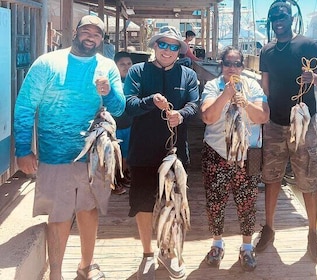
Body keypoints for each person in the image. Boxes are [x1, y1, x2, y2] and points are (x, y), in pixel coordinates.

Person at [13, 15, 125, 280]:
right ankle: (56, 274)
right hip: (55, 155)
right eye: (86, 31)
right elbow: (25, 106)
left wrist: (108, 91)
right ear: (75, 33)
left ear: (102, 39)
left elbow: (119, 108)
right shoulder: (47, 63)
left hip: (95, 156)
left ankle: (86, 266)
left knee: (89, 210)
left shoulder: (107, 66)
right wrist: (22, 148)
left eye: (97, 34)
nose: (91, 37)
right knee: (59, 214)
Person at [254, 1, 317, 265]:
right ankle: (269, 228)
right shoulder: (266, 51)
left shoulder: (308, 46)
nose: (278, 21)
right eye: (274, 17)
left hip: (304, 124)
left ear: (291, 19)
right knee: (271, 177)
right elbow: (264, 88)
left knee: (309, 180)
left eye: (283, 16)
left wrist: (314, 79)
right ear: (271, 21)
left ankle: (313, 233)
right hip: (274, 124)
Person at [124, 25, 199, 280]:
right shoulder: (137, 71)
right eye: (163, 45)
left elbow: (194, 104)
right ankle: (147, 254)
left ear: (180, 50)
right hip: (143, 150)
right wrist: (149, 102)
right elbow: (128, 105)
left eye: (174, 46)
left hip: (176, 154)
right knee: (143, 203)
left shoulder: (188, 75)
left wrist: (182, 114)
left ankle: (168, 252)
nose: (167, 50)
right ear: (154, 46)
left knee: (174, 204)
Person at [200, 46, 270, 271]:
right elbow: (208, 117)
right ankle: (217, 243)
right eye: (227, 63)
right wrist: (226, 94)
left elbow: (263, 116)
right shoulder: (212, 86)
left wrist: (244, 102)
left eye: (237, 64)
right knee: (215, 201)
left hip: (250, 153)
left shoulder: (254, 86)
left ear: (243, 66)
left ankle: (247, 247)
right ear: (221, 65)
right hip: (217, 152)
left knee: (248, 202)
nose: (232, 68)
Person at [112, 51, 134, 195]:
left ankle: (123, 176)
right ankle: (113, 181)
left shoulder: (135, 82)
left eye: (129, 64)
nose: (126, 67)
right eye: (122, 64)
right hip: (114, 126)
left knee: (126, 154)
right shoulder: (111, 82)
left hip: (130, 125)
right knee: (114, 155)